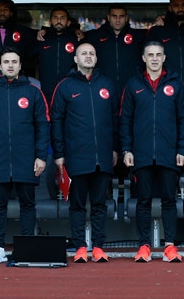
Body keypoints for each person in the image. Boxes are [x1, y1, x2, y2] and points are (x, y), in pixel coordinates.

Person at [0, 48, 49, 264]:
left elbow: (42, 126)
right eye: (6, 62)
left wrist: (41, 156)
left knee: (28, 204)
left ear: (19, 65)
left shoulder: (33, 91)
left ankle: (26, 246)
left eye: (14, 61)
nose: (10, 65)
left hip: (26, 159)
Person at [121, 41, 184, 263]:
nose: (154, 58)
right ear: (143, 58)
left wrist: (182, 149)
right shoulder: (133, 85)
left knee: (169, 200)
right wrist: (126, 149)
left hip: (169, 154)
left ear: (163, 58)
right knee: (143, 201)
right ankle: (144, 247)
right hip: (141, 154)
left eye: (158, 55)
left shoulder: (176, 84)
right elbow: (125, 120)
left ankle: (170, 246)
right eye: (150, 55)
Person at [51, 42, 117, 263]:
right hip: (76, 156)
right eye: (84, 54)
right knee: (77, 205)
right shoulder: (65, 87)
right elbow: (56, 122)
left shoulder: (107, 84)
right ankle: (80, 246)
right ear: (76, 59)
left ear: (96, 59)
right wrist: (59, 153)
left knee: (99, 205)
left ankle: (98, 246)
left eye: (92, 53)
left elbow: (116, 120)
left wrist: (115, 148)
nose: (88, 57)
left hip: (103, 157)